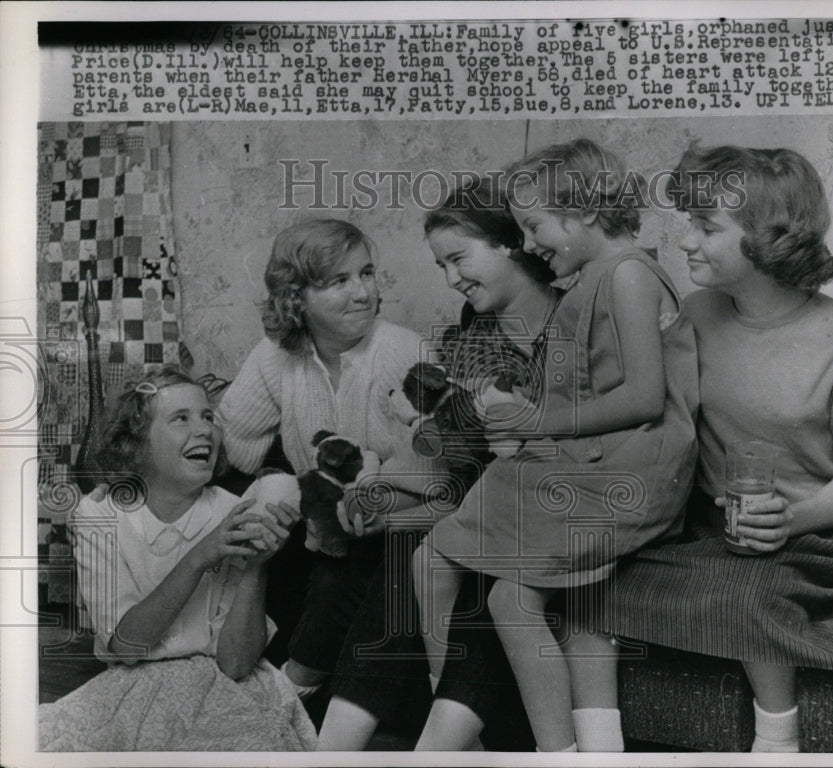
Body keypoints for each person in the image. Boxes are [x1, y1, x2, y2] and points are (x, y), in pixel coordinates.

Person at [413, 139, 700, 752]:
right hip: (607, 457)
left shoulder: (626, 276)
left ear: (585, 210)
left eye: (535, 225)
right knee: (493, 587)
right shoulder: (595, 279)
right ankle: (574, 753)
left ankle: (553, 753)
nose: (530, 244)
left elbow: (645, 399)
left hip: (634, 467)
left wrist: (538, 420)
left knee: (485, 574)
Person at [615, 144, 833, 752]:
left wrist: (789, 519)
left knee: (745, 595)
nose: (687, 241)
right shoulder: (695, 313)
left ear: (767, 238)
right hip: (710, 524)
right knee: (590, 578)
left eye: (706, 227)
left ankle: (779, 742)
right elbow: (656, 421)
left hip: (819, 529)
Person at [316, 176, 559, 751]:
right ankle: (331, 750)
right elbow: (449, 451)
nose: (451, 279)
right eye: (441, 266)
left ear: (512, 244)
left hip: (551, 509)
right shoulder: (473, 336)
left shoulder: (575, 324)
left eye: (459, 259)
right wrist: (386, 497)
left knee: (477, 567)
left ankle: (441, 750)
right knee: (403, 548)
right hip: (482, 500)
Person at [217, 219, 439, 702]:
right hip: (324, 518)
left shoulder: (403, 350)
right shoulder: (279, 353)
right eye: (339, 281)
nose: (363, 292)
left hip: (402, 520)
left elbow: (440, 470)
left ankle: (297, 682)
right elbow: (237, 442)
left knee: (350, 554)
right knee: (260, 523)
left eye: (366, 273)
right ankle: (249, 669)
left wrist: (376, 500)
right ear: (297, 298)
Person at [38, 367, 315, 751]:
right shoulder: (98, 514)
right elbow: (127, 647)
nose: (203, 430)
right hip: (133, 686)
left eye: (208, 417)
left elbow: (235, 665)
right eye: (181, 418)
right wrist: (199, 556)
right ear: (136, 443)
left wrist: (257, 565)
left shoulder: (233, 511)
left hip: (222, 687)